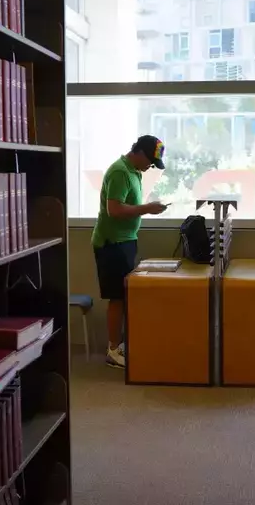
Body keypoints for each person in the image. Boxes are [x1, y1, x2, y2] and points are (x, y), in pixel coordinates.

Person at [92, 135, 168, 368]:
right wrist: (147, 209)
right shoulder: (119, 172)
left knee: (124, 296)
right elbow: (114, 210)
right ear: (139, 153)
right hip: (112, 243)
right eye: (150, 162)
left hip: (126, 241)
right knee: (117, 298)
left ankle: (118, 344)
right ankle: (113, 350)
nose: (150, 167)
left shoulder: (134, 172)